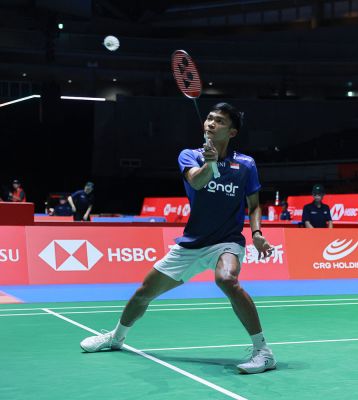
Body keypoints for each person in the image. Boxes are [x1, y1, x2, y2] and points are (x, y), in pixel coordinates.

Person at [80, 102, 277, 374]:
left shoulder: (246, 164)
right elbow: (196, 181)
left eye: (219, 121)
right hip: (192, 243)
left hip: (227, 241)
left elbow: (253, 205)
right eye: (209, 118)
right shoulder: (190, 156)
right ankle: (116, 338)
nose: (211, 123)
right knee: (143, 294)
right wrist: (210, 163)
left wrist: (256, 234)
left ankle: (263, 352)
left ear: (232, 132)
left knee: (227, 279)